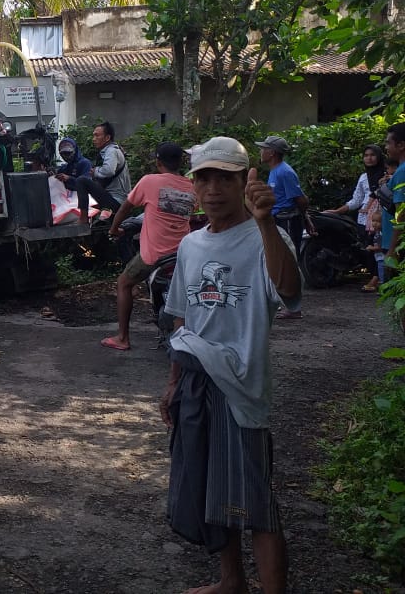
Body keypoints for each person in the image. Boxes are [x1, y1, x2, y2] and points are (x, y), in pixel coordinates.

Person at [161, 136, 300, 594]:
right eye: (205, 178)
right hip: (196, 381)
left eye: (226, 178)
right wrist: (174, 383)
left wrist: (266, 223)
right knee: (207, 488)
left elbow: (290, 294)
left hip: (241, 387)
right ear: (194, 185)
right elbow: (183, 316)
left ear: (245, 182)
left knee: (256, 500)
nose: (214, 188)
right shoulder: (191, 245)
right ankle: (231, 582)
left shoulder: (266, 238)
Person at [102, 142, 196, 351]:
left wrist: (114, 229)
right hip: (183, 255)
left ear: (158, 161)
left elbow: (126, 208)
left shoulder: (149, 181)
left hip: (153, 256)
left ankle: (123, 337)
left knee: (124, 283)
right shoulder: (191, 186)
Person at [255, 134, 313, 319]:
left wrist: (305, 218)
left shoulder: (284, 172)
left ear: (271, 153)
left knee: (288, 259)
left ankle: (294, 308)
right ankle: (285, 303)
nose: (260, 151)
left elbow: (300, 199)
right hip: (279, 219)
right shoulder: (276, 171)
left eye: (263, 148)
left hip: (287, 219)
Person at [322, 144, 384, 291]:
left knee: (380, 248)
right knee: (367, 249)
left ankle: (377, 279)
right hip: (364, 219)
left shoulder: (386, 174)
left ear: (379, 156)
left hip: (381, 218)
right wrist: (337, 211)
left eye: (372, 155)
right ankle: (376, 276)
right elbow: (356, 200)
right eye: (366, 155)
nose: (369, 158)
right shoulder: (363, 177)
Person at [73, 121, 131, 225]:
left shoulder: (111, 151)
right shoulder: (108, 151)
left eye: (97, 135)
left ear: (107, 138)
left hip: (116, 201)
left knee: (81, 181)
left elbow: (109, 170)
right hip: (114, 199)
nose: (93, 139)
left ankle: (83, 218)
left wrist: (96, 171)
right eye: (93, 135)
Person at [382, 123, 405, 279]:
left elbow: (401, 213)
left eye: (388, 143)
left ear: (401, 145)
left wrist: (392, 251)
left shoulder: (402, 172)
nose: (386, 147)